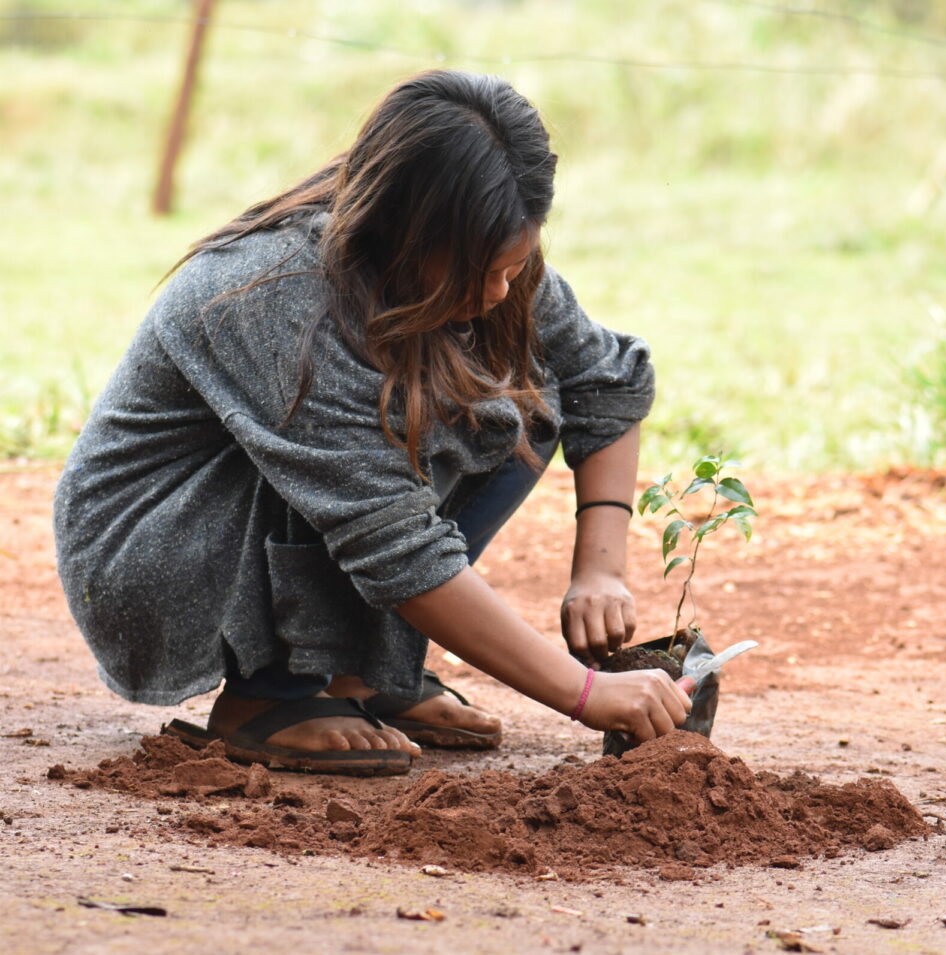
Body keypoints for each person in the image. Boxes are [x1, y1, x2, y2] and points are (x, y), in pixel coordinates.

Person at [53, 70, 691, 775]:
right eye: (482, 271)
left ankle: (363, 673)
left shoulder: (487, 259)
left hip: (294, 516)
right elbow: (388, 535)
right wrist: (585, 692)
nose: (497, 292)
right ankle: (270, 695)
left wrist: (599, 572)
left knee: (527, 396)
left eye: (513, 266)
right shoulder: (277, 296)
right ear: (406, 230)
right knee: (356, 457)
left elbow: (606, 378)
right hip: (158, 550)